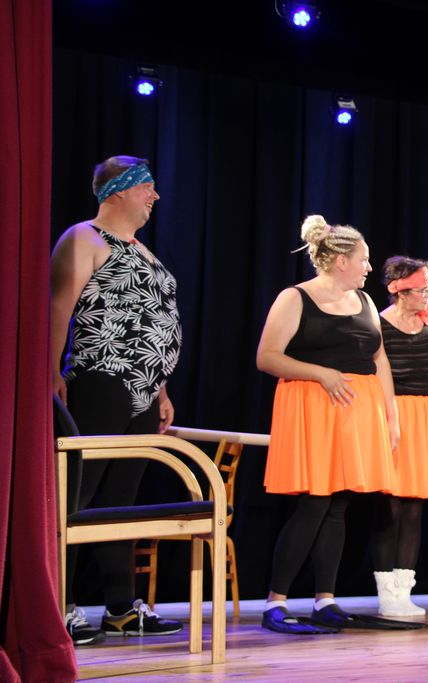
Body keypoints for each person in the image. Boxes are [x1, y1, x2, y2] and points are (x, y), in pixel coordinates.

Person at [50, 155, 183, 646]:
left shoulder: (143, 250)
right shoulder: (84, 237)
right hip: (100, 377)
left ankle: (122, 609)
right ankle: (58, 606)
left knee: (121, 501)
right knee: (76, 496)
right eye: (148, 187)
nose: (155, 196)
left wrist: (162, 389)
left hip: (145, 390)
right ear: (120, 189)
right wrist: (49, 371)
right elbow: (58, 307)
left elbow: (153, 317)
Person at [256, 215, 400, 634]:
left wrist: (390, 416)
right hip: (314, 409)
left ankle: (325, 599)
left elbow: (379, 360)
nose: (369, 267)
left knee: (339, 505)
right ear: (340, 261)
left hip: (357, 413)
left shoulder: (366, 302)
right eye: (364, 259)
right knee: (315, 503)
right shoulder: (295, 298)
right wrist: (320, 373)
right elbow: (267, 356)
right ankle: (275, 603)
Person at [372, 256, 428, 617]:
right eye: (421, 290)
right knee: (389, 508)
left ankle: (404, 591)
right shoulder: (379, 326)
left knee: (414, 508)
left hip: (422, 417)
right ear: (400, 291)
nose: (427, 296)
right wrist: (388, 420)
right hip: (391, 415)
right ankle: (386, 592)